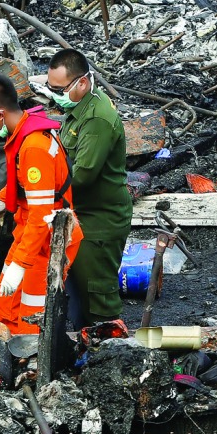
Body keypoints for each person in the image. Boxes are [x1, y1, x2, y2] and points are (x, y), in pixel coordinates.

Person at [0, 73, 79, 335]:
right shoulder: (27, 132)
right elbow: (27, 183)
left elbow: (42, 216)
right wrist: (3, 198)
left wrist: (20, 264)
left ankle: (30, 367)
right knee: (6, 303)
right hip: (31, 236)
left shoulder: (34, 147)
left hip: (47, 243)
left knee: (32, 316)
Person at [46, 48, 132, 327]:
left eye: (59, 88)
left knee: (97, 295)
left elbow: (81, 175)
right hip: (82, 213)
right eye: (50, 87)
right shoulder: (78, 108)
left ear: (81, 82)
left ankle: (112, 352)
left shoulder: (96, 118)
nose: (54, 94)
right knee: (77, 293)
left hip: (99, 220)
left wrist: (42, 191)